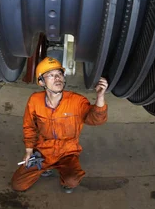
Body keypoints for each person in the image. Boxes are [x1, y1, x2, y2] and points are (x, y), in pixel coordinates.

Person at [11, 56, 109, 193]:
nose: (57, 78)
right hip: (43, 151)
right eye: (50, 75)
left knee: (72, 180)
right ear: (41, 81)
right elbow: (29, 126)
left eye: (59, 74)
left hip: (68, 151)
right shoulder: (34, 100)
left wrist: (100, 97)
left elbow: (96, 120)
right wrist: (29, 151)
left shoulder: (77, 101)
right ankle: (47, 167)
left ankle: (65, 179)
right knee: (18, 185)